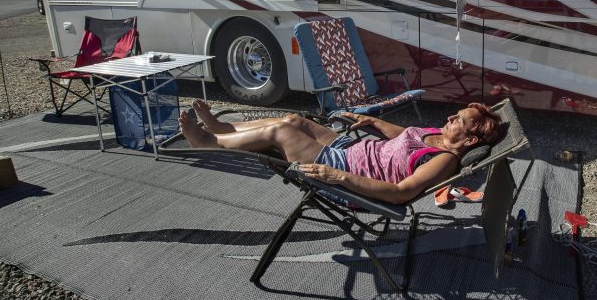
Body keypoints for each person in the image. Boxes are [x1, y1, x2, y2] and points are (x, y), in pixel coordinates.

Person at [179, 100, 502, 205]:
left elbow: (401, 193)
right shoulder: (436, 135)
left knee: (280, 132)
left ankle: (208, 143)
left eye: (458, 120)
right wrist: (371, 120)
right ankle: (224, 129)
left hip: (346, 169)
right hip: (353, 148)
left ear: (470, 141)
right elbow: (404, 135)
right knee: (294, 119)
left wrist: (339, 177)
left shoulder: (445, 159)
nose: (449, 118)